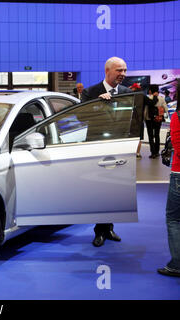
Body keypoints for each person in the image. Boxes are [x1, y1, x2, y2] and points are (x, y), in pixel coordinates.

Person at [81, 56, 132, 247]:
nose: (123, 74)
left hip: (119, 150)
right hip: (97, 148)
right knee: (99, 190)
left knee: (114, 190)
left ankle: (109, 227)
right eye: (119, 70)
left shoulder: (127, 92)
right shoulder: (91, 92)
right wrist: (97, 104)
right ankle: (99, 231)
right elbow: (80, 117)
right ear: (107, 71)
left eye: (125, 70)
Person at [158, 82, 180, 277]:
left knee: (174, 219)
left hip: (179, 175)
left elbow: (179, 150)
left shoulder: (177, 117)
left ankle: (177, 265)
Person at [145, 85, 168, 159]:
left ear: (151, 90)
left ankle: (153, 153)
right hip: (158, 119)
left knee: (151, 136)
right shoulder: (161, 98)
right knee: (157, 135)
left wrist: (144, 118)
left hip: (149, 119)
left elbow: (145, 110)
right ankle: (157, 152)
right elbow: (166, 109)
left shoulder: (148, 98)